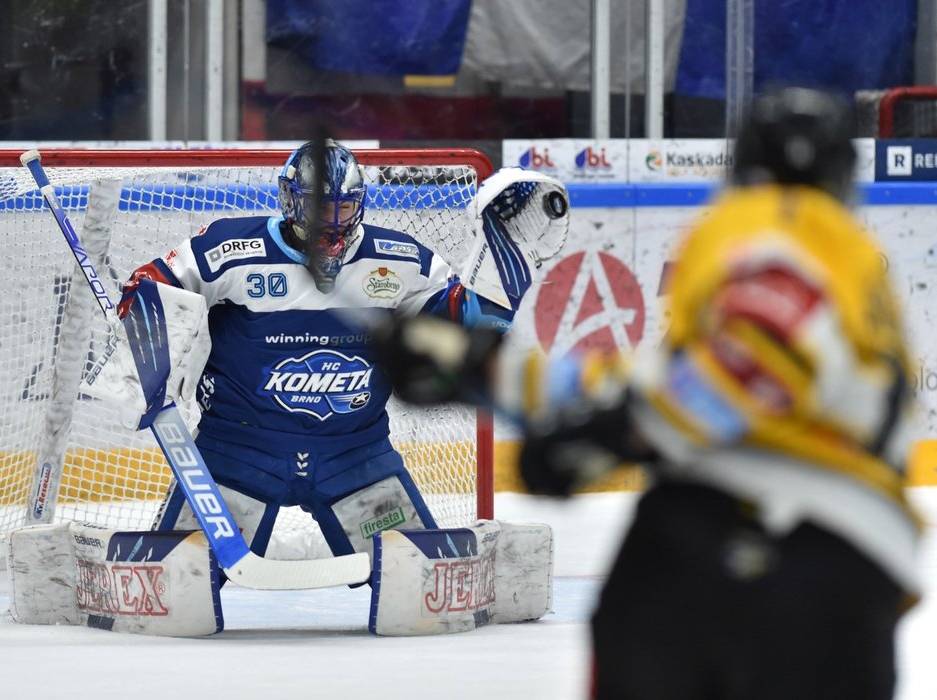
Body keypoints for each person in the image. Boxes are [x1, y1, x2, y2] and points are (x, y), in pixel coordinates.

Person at [373, 87, 923, 699]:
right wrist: (489, 372)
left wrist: (616, 435)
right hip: (854, 565)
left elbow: (749, 368)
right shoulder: (858, 275)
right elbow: (692, 381)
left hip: (733, 540)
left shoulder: (780, 222)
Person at [115, 139, 529, 562]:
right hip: (239, 452)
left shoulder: (399, 260)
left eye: (342, 208)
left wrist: (503, 273)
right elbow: (150, 284)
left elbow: (466, 324)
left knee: (422, 586)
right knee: (180, 583)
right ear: (289, 201)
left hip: (355, 456)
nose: (331, 224)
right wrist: (152, 341)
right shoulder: (232, 247)